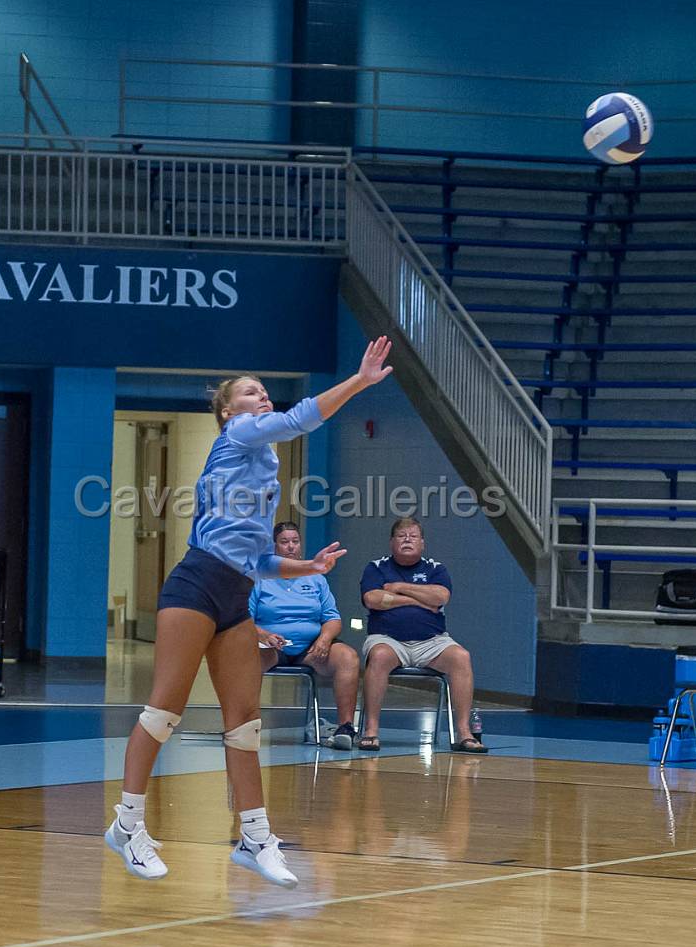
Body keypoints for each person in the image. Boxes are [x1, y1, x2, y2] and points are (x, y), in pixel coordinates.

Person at [104, 336, 394, 886]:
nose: (262, 396)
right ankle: (127, 824)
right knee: (164, 711)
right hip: (195, 585)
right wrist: (360, 381)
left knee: (244, 725)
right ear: (227, 410)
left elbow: (259, 559)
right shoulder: (237, 435)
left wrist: (308, 567)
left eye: (264, 390)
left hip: (234, 595)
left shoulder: (263, 469)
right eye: (250, 391)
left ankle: (255, 837)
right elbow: (304, 417)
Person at [358, 516, 487, 754]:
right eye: (401, 536)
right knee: (379, 656)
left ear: (422, 543)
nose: (407, 540)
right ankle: (371, 730)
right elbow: (373, 600)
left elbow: (440, 597)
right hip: (388, 639)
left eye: (413, 536)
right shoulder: (376, 568)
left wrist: (398, 588)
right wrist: (419, 600)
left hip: (432, 641)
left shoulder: (435, 569)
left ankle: (464, 732)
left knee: (461, 657)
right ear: (391, 542)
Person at [251, 521, 360, 751]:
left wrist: (324, 639)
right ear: (274, 547)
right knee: (249, 661)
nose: (291, 547)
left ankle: (346, 728)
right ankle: (245, 725)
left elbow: (332, 618)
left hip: (311, 648)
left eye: (295, 541)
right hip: (270, 647)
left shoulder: (315, 577)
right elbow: (243, 620)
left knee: (348, 657)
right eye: (284, 542)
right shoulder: (259, 577)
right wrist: (264, 634)